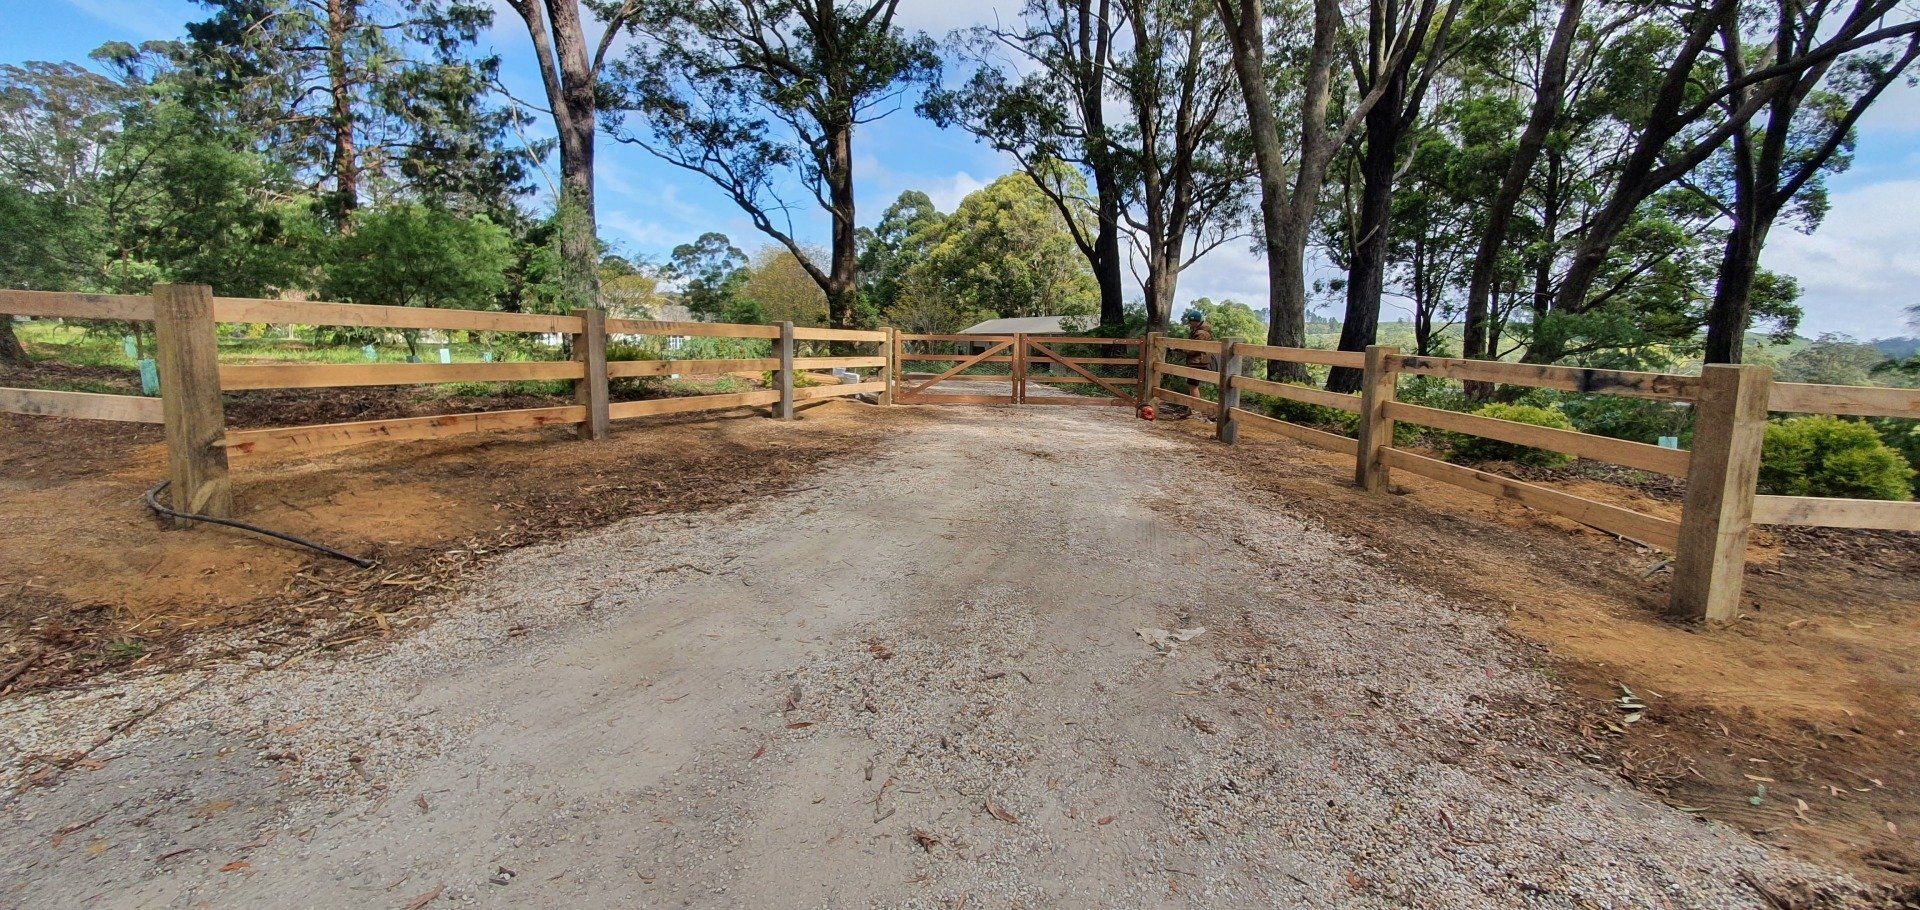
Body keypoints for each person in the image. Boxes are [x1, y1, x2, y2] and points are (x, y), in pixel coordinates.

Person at [1181, 309, 1214, 399]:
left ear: (1195, 322)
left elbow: (1194, 349)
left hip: (1198, 362)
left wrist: (1181, 349)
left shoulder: (1201, 333)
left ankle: (1195, 409)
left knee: (1193, 385)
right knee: (1192, 385)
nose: (1189, 324)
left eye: (1191, 322)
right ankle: (1192, 409)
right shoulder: (1197, 330)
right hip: (1197, 361)